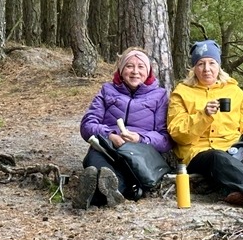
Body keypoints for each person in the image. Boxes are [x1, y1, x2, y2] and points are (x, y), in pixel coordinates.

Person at [167, 40, 243, 213]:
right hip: (200, 154)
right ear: (193, 68)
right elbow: (178, 133)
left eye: (211, 63)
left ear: (219, 66)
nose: (207, 69)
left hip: (233, 150)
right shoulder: (181, 92)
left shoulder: (234, 91)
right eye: (201, 64)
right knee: (217, 156)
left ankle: (238, 192)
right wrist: (203, 115)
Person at [74, 47, 173, 209]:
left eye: (141, 67)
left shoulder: (160, 96)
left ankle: (93, 195)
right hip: (107, 146)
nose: (135, 71)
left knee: (122, 173)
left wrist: (139, 139)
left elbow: (165, 139)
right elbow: (87, 125)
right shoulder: (107, 91)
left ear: (148, 71)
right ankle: (100, 189)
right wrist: (110, 135)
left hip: (138, 153)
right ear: (121, 69)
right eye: (129, 66)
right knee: (95, 162)